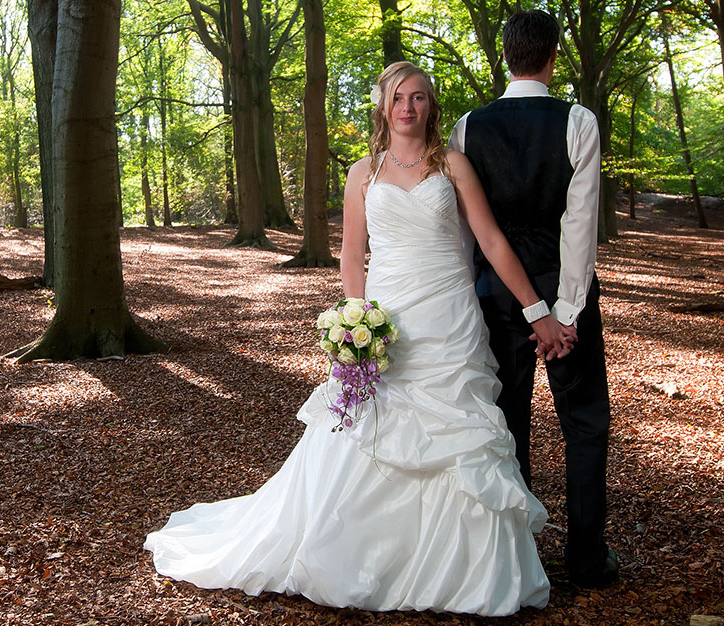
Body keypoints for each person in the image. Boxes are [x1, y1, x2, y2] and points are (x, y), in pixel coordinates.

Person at [144, 61, 574, 615]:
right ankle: (358, 555)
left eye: (419, 97)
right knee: (367, 431)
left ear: (431, 106)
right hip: (387, 318)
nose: (409, 107)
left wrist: (537, 310)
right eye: (399, 96)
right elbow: (351, 254)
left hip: (449, 318)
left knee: (460, 434)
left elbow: (490, 241)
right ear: (383, 105)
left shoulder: (454, 165)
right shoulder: (362, 172)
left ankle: (461, 572)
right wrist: (356, 321)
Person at [447, 9, 618, 589]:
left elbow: (471, 230)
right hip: (559, 290)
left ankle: (515, 555)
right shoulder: (578, 121)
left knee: (507, 420)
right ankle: (586, 560)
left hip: (495, 294)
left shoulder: (468, 127)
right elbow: (579, 224)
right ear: (552, 57)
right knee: (586, 422)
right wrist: (563, 312)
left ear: (507, 56)